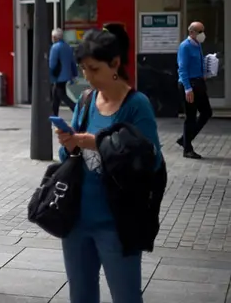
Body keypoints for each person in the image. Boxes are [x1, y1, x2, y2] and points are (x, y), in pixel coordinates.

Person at [55, 27, 163, 303]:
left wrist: (96, 142)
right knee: (80, 296)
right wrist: (69, 146)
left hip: (117, 223)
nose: (88, 77)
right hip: (77, 220)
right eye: (83, 69)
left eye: (94, 69)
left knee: (125, 296)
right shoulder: (87, 99)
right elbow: (68, 158)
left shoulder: (136, 105)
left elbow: (151, 161)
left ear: (115, 63)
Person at [177, 21, 213, 159]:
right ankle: (187, 149)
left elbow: (199, 61)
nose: (202, 34)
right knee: (190, 117)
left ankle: (185, 139)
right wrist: (187, 88)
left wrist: (205, 73)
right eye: (200, 31)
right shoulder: (185, 47)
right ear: (191, 32)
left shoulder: (197, 45)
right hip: (189, 84)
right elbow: (182, 69)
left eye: (203, 31)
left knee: (206, 112)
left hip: (198, 83)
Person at [49, 28, 78, 116]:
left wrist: (50, 74)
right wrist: (74, 73)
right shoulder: (67, 46)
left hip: (58, 75)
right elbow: (72, 62)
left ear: (54, 37)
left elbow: (52, 63)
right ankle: (54, 113)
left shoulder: (55, 47)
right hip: (66, 75)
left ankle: (76, 108)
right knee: (56, 94)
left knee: (61, 94)